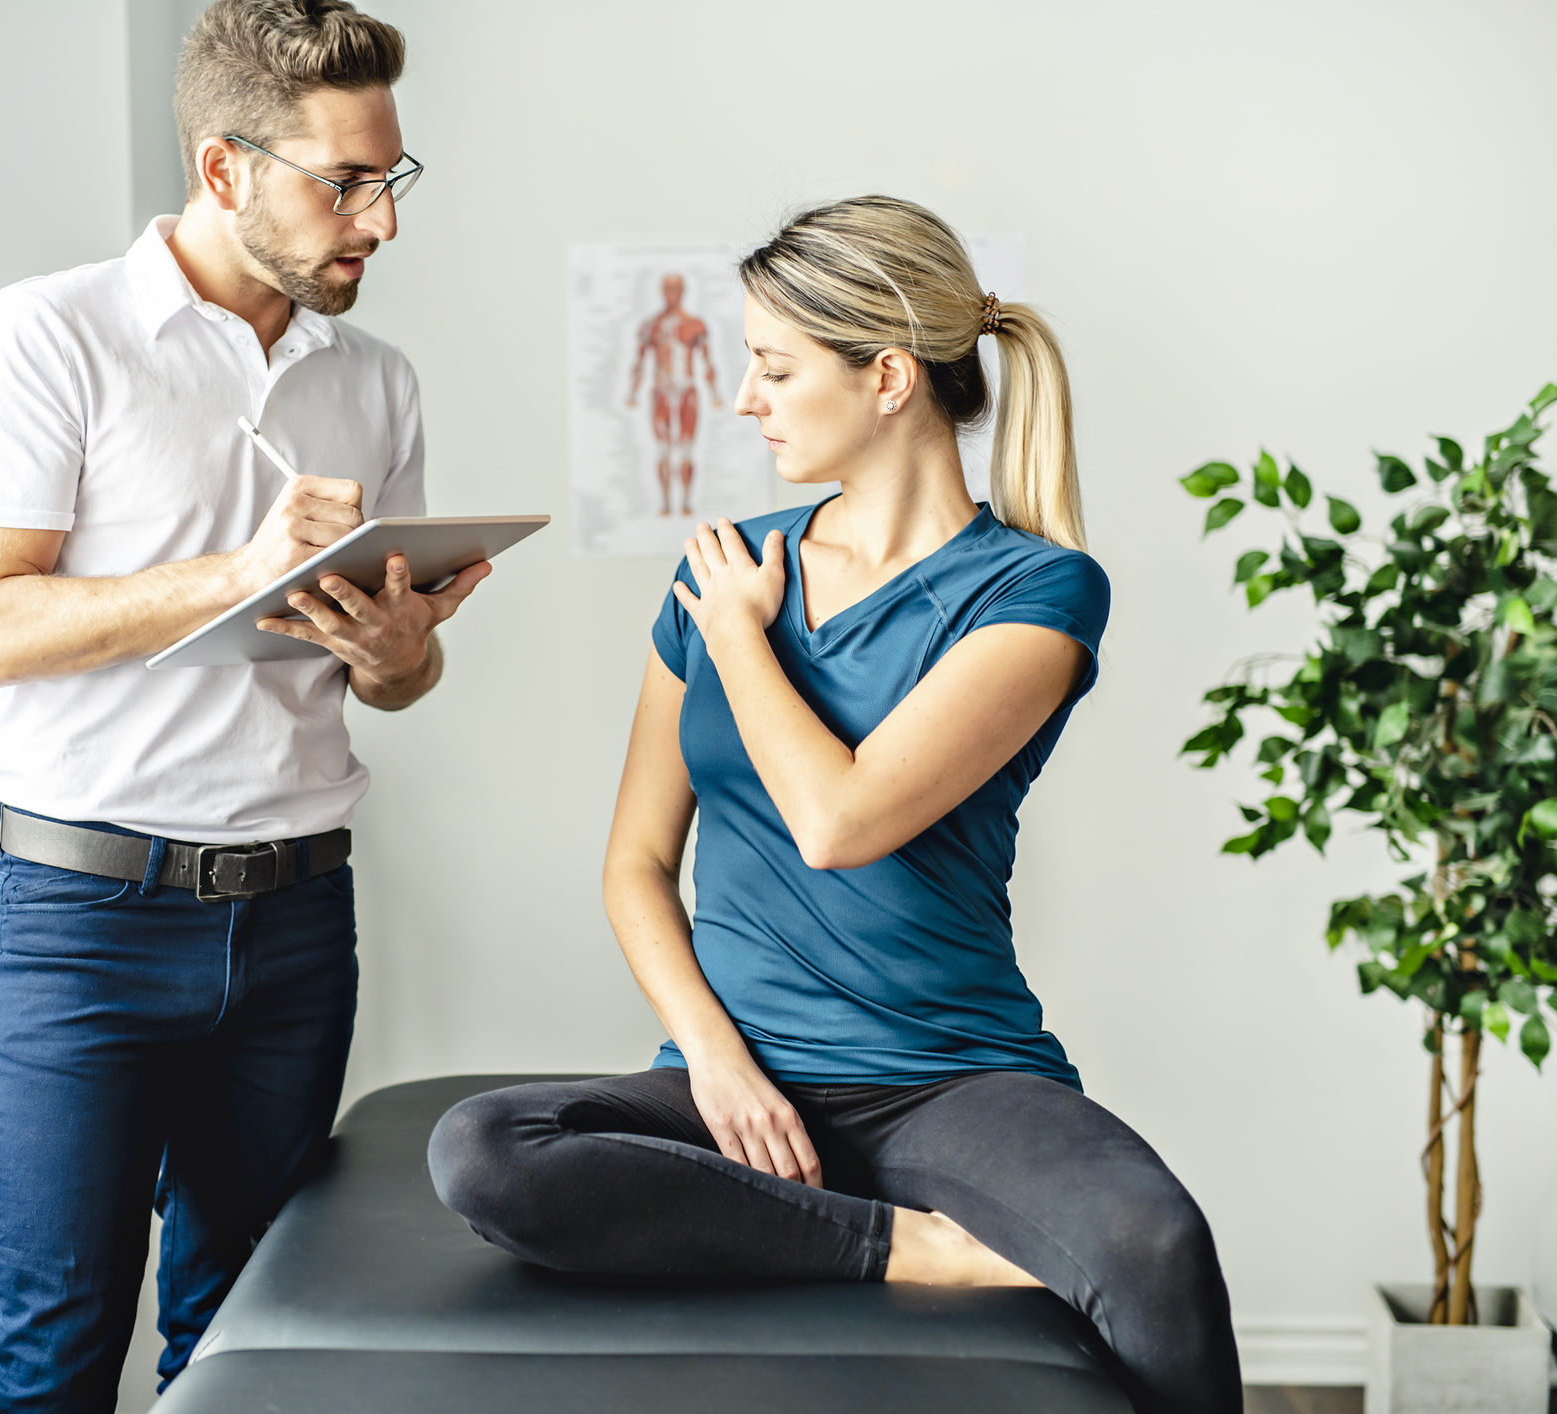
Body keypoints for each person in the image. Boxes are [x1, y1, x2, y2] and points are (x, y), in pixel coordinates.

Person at [429, 196, 1241, 1414]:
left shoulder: (1035, 590)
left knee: (1154, 1247)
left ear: (890, 378)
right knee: (485, 1151)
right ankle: (901, 1241)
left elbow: (842, 820)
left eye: (772, 367)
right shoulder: (719, 568)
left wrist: (744, 640)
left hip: (949, 1081)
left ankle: (892, 1209)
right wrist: (715, 1062)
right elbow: (637, 863)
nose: (745, 399)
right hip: (738, 1076)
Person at [0, 3, 482, 1409]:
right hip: (84, 923)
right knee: (50, 1346)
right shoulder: (50, 336)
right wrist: (239, 570)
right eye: (345, 181)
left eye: (391, 178)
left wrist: (396, 646)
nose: (382, 222)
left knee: (254, 1340)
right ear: (224, 167)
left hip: (298, 918)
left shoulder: (376, 378)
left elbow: (397, 685)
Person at [626, 272, 722, 516]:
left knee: (687, 448)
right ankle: (666, 503)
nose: (673, 294)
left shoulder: (695, 325)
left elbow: (708, 361)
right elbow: (639, 362)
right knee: (663, 449)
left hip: (687, 390)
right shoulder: (651, 326)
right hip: (661, 391)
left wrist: (714, 393)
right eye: (668, 289)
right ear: (662, 291)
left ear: (683, 291)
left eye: (677, 288)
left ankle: (687, 502)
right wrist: (632, 392)